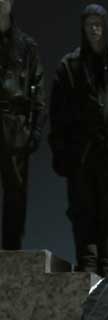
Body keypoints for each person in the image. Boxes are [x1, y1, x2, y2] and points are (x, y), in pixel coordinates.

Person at [49, 4, 108, 274]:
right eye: (89, 25)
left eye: (98, 24)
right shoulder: (69, 65)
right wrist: (61, 152)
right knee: (82, 211)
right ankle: (87, 268)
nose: (94, 29)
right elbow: (57, 113)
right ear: (83, 28)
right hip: (81, 153)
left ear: (105, 27)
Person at [0, 0, 46, 251]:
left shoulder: (26, 46)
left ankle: (10, 251)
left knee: (15, 193)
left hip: (16, 126)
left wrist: (35, 130)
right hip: (15, 123)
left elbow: (38, 91)